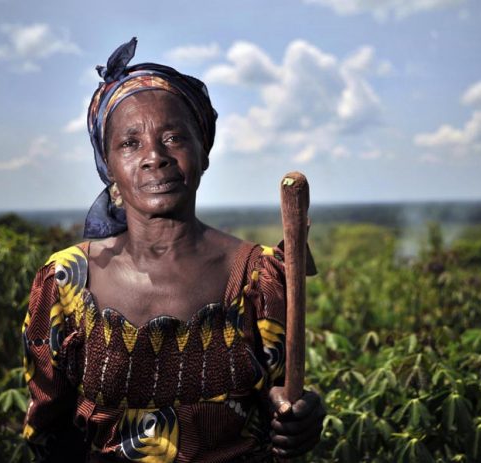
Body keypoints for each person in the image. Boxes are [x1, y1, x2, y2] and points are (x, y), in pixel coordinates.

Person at [21, 37, 325, 462]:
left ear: (203, 152)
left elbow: (279, 398)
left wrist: (300, 417)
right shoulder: (67, 280)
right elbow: (48, 430)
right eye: (130, 143)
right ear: (108, 165)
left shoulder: (258, 277)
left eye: (174, 137)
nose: (154, 157)